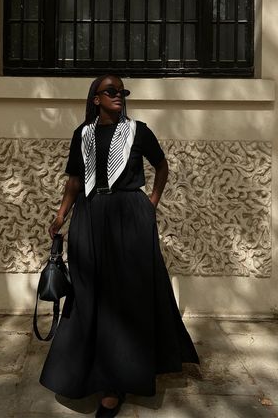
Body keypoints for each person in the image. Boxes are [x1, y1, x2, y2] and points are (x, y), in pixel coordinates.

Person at [39, 74, 200, 417]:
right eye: (111, 91)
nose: (119, 96)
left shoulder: (138, 131)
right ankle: (85, 370)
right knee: (88, 294)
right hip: (90, 216)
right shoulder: (82, 134)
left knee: (126, 297)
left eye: (122, 91)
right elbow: (74, 180)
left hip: (130, 216)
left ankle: (115, 384)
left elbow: (162, 166)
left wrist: (150, 204)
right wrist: (60, 216)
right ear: (95, 98)